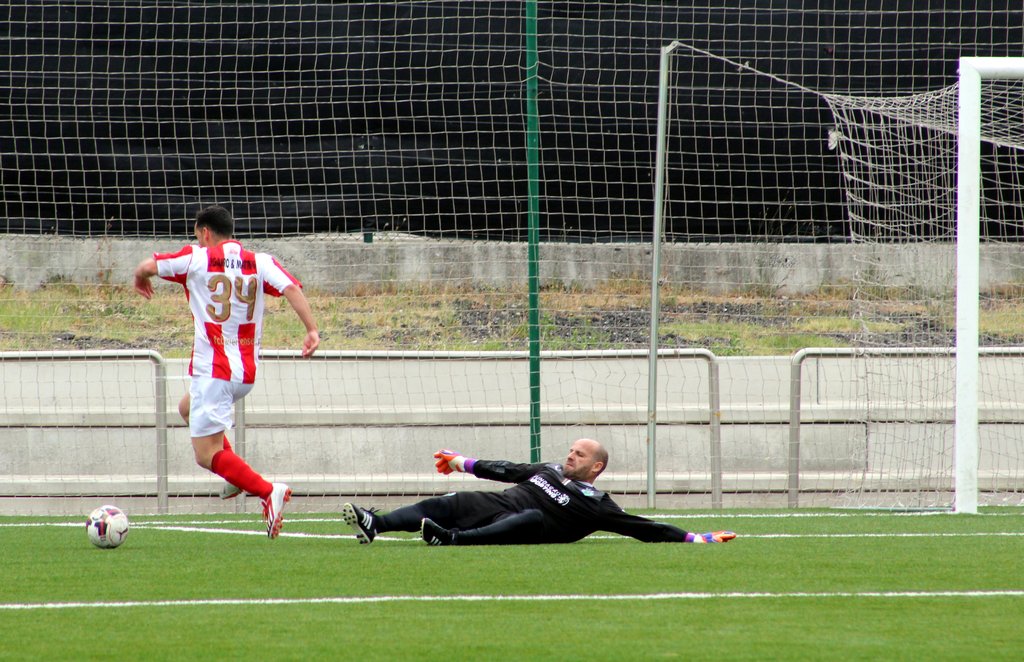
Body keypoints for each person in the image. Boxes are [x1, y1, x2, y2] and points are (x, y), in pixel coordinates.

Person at [133, 204, 320, 538]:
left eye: (198, 236)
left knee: (206, 455)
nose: (198, 241)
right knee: (186, 408)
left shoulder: (197, 258)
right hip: (244, 374)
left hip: (214, 371)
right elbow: (292, 288)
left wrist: (139, 277)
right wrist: (311, 330)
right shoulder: (260, 261)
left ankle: (267, 491)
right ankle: (236, 478)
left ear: (205, 233)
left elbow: (147, 266)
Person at [341, 438, 735, 546]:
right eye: (571, 450)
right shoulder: (549, 469)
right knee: (452, 501)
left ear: (596, 467)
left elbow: (644, 527)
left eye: (580, 454)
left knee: (529, 517)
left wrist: (696, 538)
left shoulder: (598, 506)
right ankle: (377, 524)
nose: (570, 455)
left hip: (528, 526)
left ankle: (453, 540)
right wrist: (460, 462)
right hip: (500, 504)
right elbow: (507, 470)